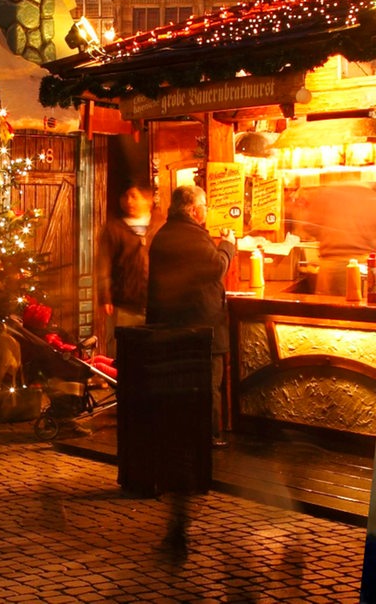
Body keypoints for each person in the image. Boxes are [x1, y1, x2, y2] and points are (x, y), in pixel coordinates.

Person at [147, 183, 237, 560]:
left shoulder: (165, 235)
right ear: (192, 208)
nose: (205, 211)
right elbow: (214, 267)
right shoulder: (190, 237)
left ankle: (179, 515)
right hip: (197, 331)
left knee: (191, 399)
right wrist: (229, 244)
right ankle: (209, 442)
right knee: (206, 389)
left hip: (174, 331)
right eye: (203, 206)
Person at [99, 186, 152, 361]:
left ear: (147, 199)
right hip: (124, 301)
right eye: (125, 196)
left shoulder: (157, 225)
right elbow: (103, 263)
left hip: (152, 303)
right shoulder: (114, 229)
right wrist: (105, 295)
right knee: (122, 352)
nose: (129, 201)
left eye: (134, 196)